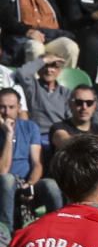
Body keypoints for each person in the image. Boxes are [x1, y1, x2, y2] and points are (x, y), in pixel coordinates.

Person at [0, 88, 63, 233]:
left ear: (19, 109)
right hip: (3, 186)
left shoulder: (30, 127)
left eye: (11, 107)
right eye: (2, 107)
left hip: (26, 183)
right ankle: (6, 235)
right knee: (7, 180)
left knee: (50, 185)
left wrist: (30, 185)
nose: (6, 112)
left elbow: (37, 163)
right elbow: (2, 171)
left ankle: (60, 230)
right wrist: (8, 135)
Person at [49, 85, 98, 157]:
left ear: (94, 106)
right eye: (79, 102)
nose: (84, 107)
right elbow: (65, 143)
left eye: (89, 103)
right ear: (70, 104)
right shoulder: (59, 127)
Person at [13, 56, 70, 143]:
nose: (49, 70)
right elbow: (22, 73)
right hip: (37, 136)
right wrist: (44, 60)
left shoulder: (65, 92)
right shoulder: (32, 86)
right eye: (45, 66)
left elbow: (70, 117)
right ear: (38, 70)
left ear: (59, 71)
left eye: (53, 67)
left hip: (59, 135)